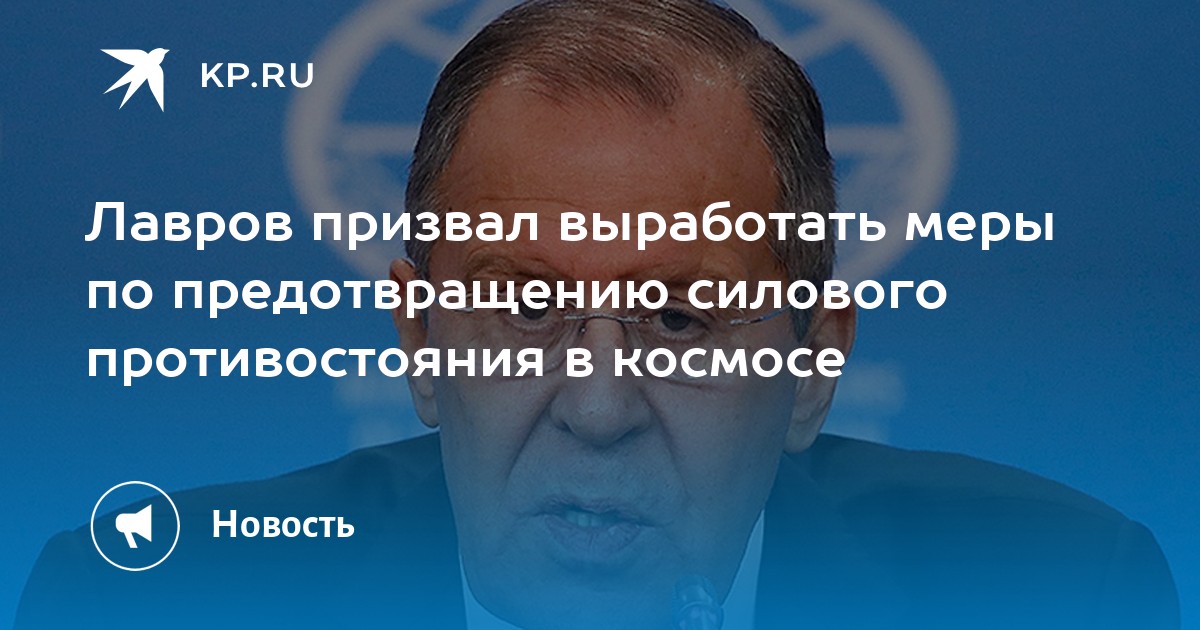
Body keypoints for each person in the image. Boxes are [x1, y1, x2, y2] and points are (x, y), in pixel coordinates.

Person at [18, 1, 1179, 628]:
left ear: (812, 364)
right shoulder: (146, 601)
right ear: (420, 343)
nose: (599, 405)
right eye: (527, 308)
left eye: (678, 321)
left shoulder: (1065, 591)